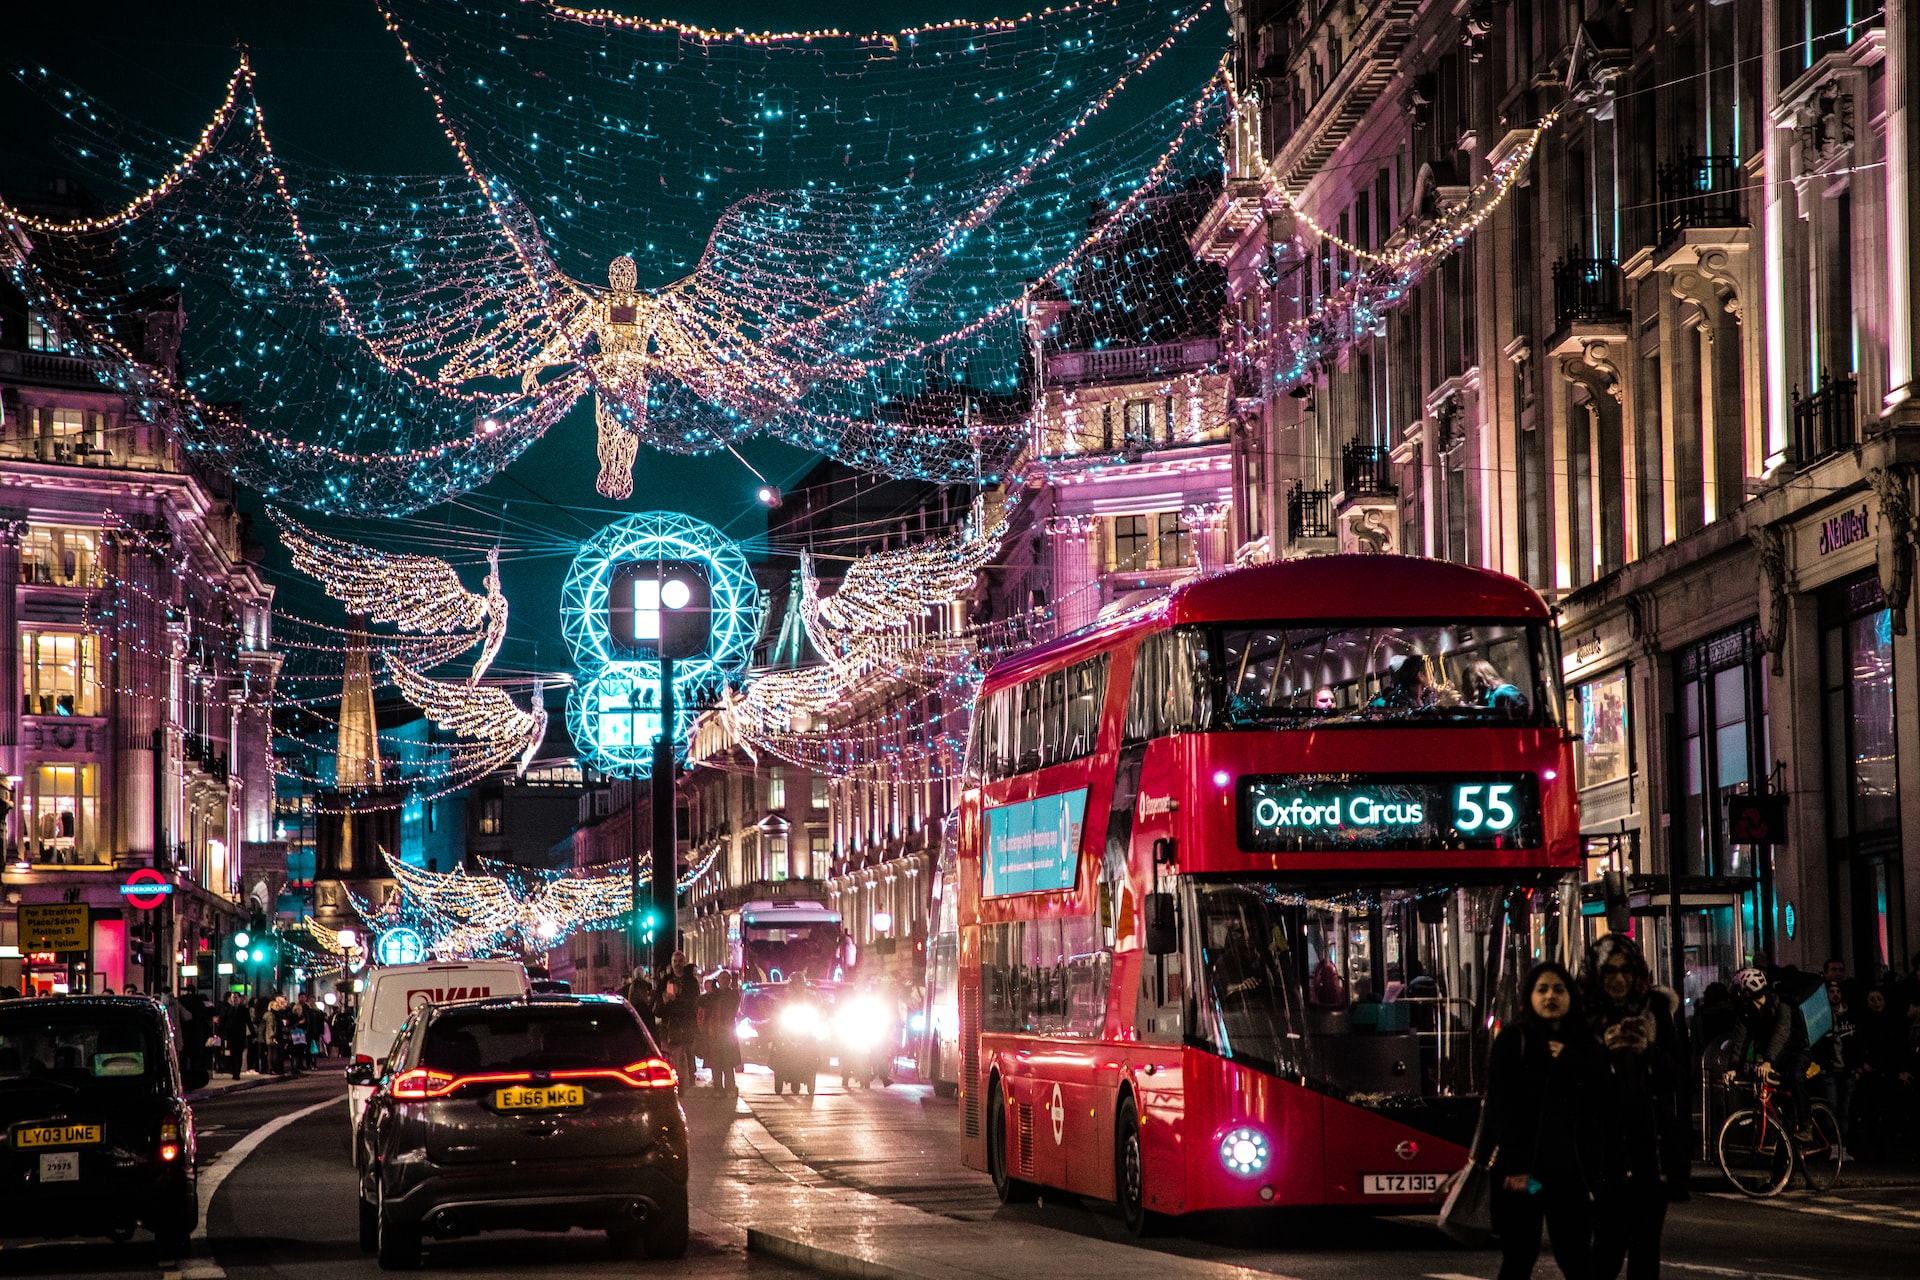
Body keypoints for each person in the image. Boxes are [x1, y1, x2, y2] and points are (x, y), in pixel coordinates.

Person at [1475, 961, 1600, 1280]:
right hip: (1526, 1175)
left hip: (1570, 1173)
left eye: (1559, 989)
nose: (1550, 997)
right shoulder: (1514, 1040)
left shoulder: (1582, 1041)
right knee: (1519, 1255)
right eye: (1541, 989)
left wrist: (1570, 1061)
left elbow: (1600, 1102)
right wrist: (1515, 1168)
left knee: (1575, 1257)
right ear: (1528, 995)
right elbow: (1500, 1107)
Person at [1581, 936, 1687, 1280]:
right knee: (1607, 1249)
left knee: (1646, 1251)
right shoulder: (1584, 1014)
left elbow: (1677, 1076)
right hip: (1602, 1149)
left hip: (1649, 1150)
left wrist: (1649, 1052)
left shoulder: (1655, 1008)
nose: (1618, 979)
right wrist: (1602, 1051)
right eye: (1609, 971)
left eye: (1626, 970)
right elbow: (1571, 1082)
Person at [1723, 966, 1812, 1141]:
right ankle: (1781, 1134)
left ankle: (1806, 1126)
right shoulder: (1747, 1012)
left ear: (1747, 991)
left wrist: (1768, 1061)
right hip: (1772, 1058)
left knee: (1795, 1077)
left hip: (1796, 1052)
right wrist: (1733, 1067)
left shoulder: (1781, 1005)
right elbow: (1740, 1040)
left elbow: (1782, 1033)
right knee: (1769, 1091)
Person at [1811, 980, 1857, 1160]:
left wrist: (1857, 1066)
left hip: (1847, 1070)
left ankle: (1842, 1146)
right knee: (1832, 1107)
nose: (1836, 994)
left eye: (1838, 991)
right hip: (1829, 1070)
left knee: (1844, 1110)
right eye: (1832, 991)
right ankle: (1834, 1145)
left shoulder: (1849, 1016)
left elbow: (1857, 1043)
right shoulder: (1822, 1016)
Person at [705, 971, 744, 1093]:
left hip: (727, 1034)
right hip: (715, 1033)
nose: (725, 981)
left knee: (728, 1063)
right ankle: (718, 1088)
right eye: (722, 979)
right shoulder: (713, 995)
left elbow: (731, 1006)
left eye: (727, 979)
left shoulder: (733, 994)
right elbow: (704, 1003)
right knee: (716, 1063)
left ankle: (730, 1088)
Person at [219, 993, 252, 1080]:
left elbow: (249, 1022)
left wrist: (253, 1034)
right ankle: (234, 1071)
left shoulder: (244, 1010)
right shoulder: (228, 1009)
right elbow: (222, 1021)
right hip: (231, 1035)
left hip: (240, 1035)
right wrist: (218, 1033)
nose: (234, 999)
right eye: (232, 998)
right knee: (233, 1054)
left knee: (239, 1054)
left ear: (239, 999)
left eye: (236, 998)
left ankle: (237, 1073)